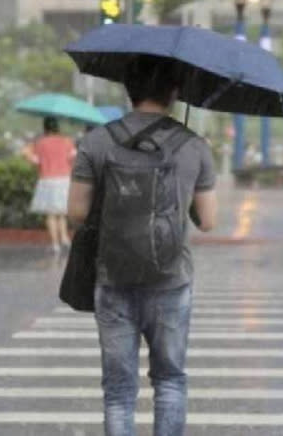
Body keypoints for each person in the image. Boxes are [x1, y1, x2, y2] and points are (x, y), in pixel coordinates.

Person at [68, 55, 217, 436]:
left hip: (113, 276)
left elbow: (75, 214)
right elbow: (209, 220)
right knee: (169, 380)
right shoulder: (194, 145)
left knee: (119, 390)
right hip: (171, 279)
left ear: (128, 89)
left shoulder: (97, 141)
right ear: (174, 92)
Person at [25, 116, 77, 254]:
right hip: (64, 179)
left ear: (45, 127)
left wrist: (27, 155)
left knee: (51, 214)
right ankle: (65, 238)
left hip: (47, 180)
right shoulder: (67, 141)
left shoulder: (40, 143)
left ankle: (55, 244)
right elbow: (73, 159)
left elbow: (36, 162)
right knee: (61, 212)